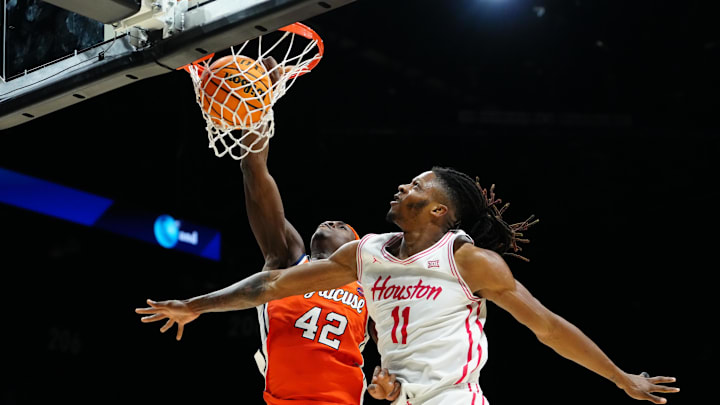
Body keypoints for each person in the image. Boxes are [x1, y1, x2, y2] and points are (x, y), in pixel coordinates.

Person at [136, 167, 679, 404]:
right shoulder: (365, 253)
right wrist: (197, 306)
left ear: (439, 210)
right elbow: (272, 283)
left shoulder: (469, 261)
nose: (403, 185)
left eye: (416, 185)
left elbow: (547, 327)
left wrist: (619, 378)